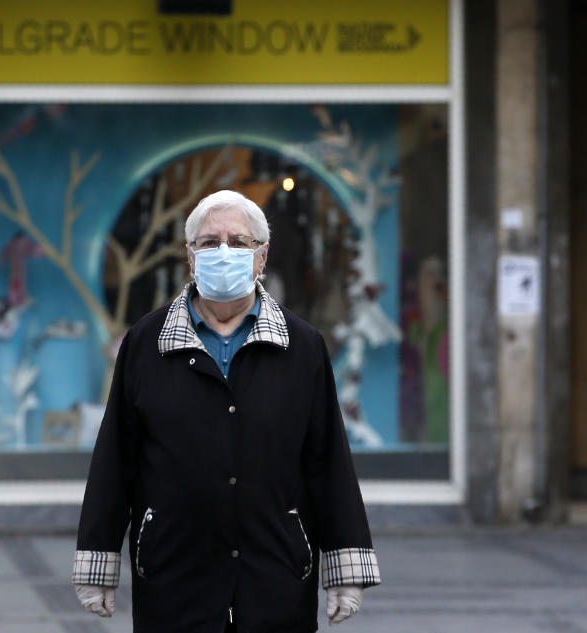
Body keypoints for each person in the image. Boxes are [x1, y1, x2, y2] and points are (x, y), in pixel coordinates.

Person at [73, 190, 381, 632]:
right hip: (173, 580)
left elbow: (327, 461)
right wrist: (97, 565)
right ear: (190, 256)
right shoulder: (145, 344)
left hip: (275, 578)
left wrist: (346, 571)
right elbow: (115, 460)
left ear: (262, 256)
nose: (224, 252)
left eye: (239, 242)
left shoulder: (302, 346)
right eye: (208, 241)